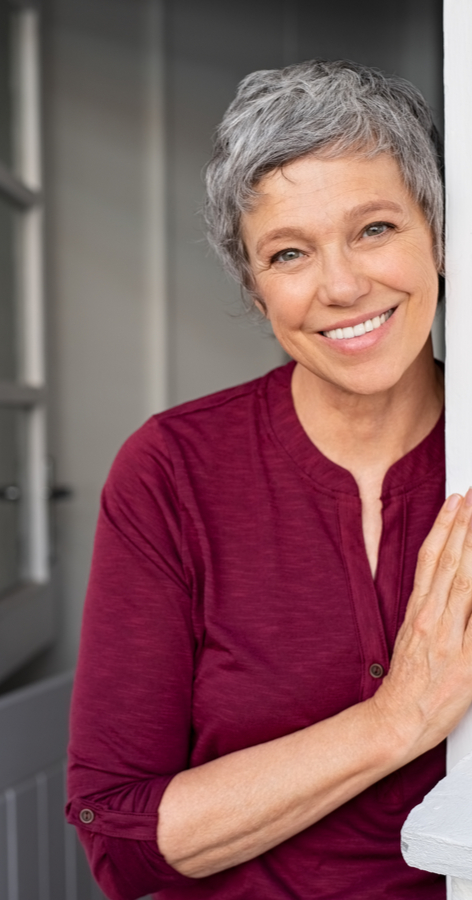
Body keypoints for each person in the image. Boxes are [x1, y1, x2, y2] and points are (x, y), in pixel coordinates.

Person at [67, 59, 472, 899]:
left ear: (439, 232)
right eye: (290, 252)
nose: (342, 285)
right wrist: (394, 722)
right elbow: (121, 836)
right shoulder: (172, 472)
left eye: (375, 229)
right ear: (255, 290)